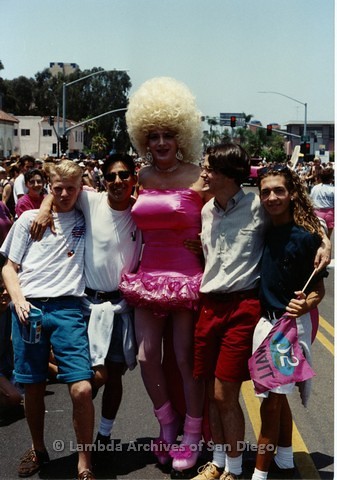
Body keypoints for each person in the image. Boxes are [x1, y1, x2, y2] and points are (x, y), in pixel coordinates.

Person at [192, 144, 331, 480]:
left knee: (245, 393)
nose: (203, 173)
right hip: (213, 307)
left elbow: (302, 223)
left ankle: (243, 469)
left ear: (226, 173)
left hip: (254, 312)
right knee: (217, 391)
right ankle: (235, 461)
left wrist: (325, 242)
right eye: (267, 191)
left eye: (208, 167)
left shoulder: (257, 207)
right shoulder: (206, 210)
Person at [119, 76, 211, 473]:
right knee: (145, 355)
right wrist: (47, 204)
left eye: (168, 134)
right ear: (143, 137)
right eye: (152, 135)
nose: (160, 142)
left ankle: (193, 432)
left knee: (184, 355)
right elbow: (92, 199)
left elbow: (234, 216)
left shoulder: (199, 177)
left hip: (188, 278)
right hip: (148, 276)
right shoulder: (140, 178)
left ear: (181, 136)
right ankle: (167, 421)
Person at [31, 153, 142, 456]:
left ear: (134, 177)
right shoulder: (90, 201)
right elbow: (59, 191)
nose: (117, 181)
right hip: (86, 306)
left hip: (121, 306)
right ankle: (81, 437)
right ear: (104, 180)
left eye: (123, 175)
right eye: (111, 176)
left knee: (115, 373)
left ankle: (103, 436)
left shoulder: (142, 212)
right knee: (93, 377)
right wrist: (43, 208)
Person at [0, 160, 96, 480]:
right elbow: (9, 268)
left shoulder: (87, 216)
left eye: (72, 187)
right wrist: (18, 300)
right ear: (48, 186)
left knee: (81, 388)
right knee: (33, 388)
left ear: (81, 187)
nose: (65, 193)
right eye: (58, 188)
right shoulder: (29, 219)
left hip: (69, 308)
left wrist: (48, 203)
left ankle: (85, 462)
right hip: (30, 309)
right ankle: (39, 448)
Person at [250, 164, 328, 480]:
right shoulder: (264, 228)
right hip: (264, 325)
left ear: (292, 193)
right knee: (277, 398)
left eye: (279, 190)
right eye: (266, 191)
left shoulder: (306, 237)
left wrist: (302, 305)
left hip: (287, 330)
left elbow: (318, 291)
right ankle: (284, 460)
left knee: (269, 403)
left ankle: (260, 474)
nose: (272, 197)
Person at [310, 167, 334, 238]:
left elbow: (311, 201)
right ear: (331, 178)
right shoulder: (334, 189)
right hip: (329, 214)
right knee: (327, 237)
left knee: (316, 236)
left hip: (316, 213)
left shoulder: (315, 188)